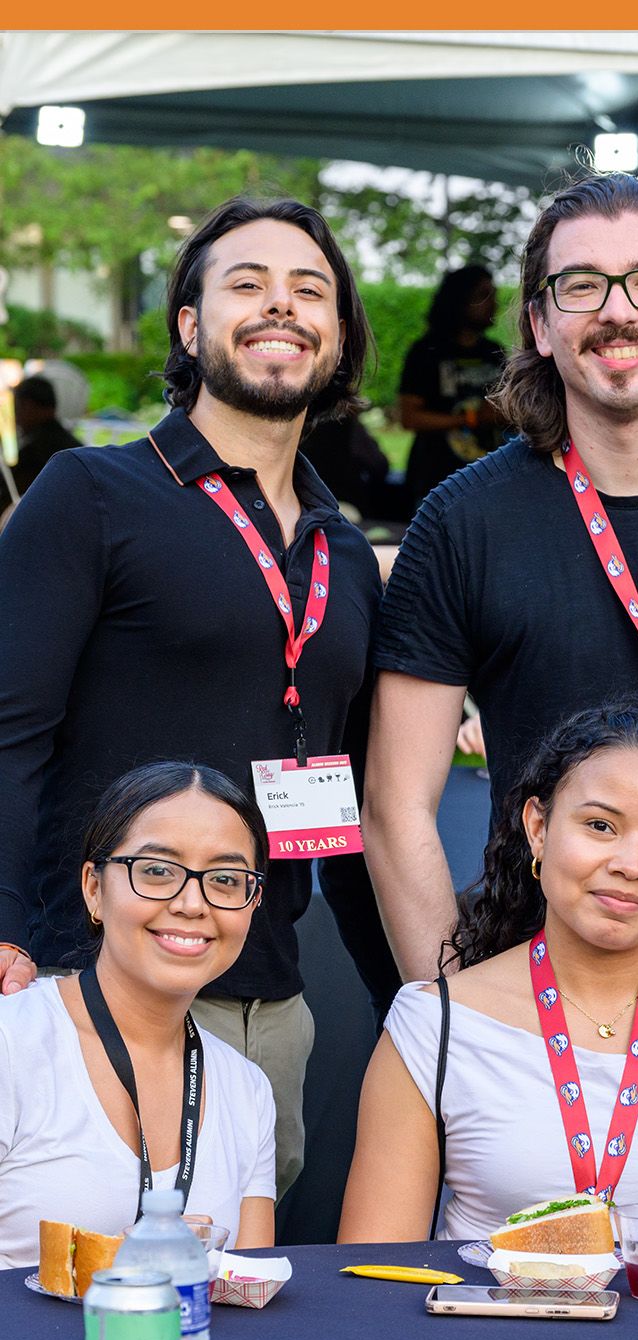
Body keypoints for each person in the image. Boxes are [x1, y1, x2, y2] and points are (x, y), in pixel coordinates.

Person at [0, 196, 400, 1199]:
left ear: (339, 335)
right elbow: (8, 737)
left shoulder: (343, 552)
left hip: (274, 1010)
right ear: (190, 323)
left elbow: (338, 795)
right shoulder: (90, 495)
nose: (282, 306)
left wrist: (409, 995)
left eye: (310, 290)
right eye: (247, 284)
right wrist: (9, 938)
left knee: (230, 1315)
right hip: (91, 987)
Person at [365, 171, 638, 984]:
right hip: (537, 1027)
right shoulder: (462, 524)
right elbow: (397, 810)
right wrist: (459, 1023)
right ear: (538, 322)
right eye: (581, 285)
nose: (617, 309)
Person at [340, 701, 638, 1250]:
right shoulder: (433, 1025)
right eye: (600, 826)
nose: (631, 864)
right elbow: (371, 1272)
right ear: (538, 827)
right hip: (486, 1332)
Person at [0, 761, 276, 1268]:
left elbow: (246, 1293)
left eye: (226, 879)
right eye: (156, 871)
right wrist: (108, 1268)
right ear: (93, 889)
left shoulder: (248, 1089)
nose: (193, 903)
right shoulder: (11, 1042)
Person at [399, 264, 506, 509]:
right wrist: (471, 419)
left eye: (494, 295)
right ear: (460, 300)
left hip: (490, 477)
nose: (494, 304)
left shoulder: (494, 352)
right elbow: (410, 417)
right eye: (483, 296)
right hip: (435, 478)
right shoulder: (426, 352)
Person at [0, 375, 82, 519]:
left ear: (31, 405)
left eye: (18, 405)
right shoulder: (60, 440)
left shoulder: (41, 448)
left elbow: (11, 494)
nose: (15, 413)